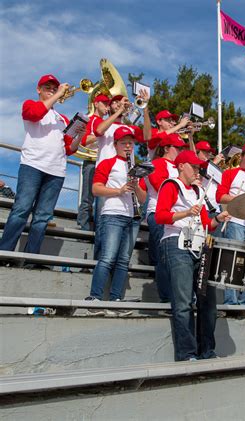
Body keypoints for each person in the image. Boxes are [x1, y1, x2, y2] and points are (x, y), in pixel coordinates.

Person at [155, 150, 230, 361]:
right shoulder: (171, 185)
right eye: (194, 167)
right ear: (181, 166)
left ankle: (207, 349)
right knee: (183, 301)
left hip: (198, 245)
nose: (198, 171)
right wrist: (186, 213)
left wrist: (219, 218)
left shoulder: (198, 191)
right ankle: (187, 353)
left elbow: (206, 224)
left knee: (208, 302)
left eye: (199, 168)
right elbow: (160, 215)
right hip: (175, 244)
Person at [0, 74, 81, 256]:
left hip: (56, 171)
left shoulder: (62, 118)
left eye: (55, 88)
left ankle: (31, 257)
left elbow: (69, 149)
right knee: (21, 210)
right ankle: (4, 252)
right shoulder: (30, 104)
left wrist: (80, 135)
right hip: (33, 165)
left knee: (43, 217)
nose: (52, 90)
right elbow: (35, 114)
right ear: (39, 90)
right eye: (48, 87)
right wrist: (58, 95)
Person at [85, 126, 145, 316]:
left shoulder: (138, 168)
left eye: (131, 143)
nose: (128, 146)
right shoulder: (108, 163)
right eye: (124, 143)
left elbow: (143, 199)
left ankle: (116, 300)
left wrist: (135, 187)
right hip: (112, 213)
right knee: (108, 257)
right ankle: (94, 298)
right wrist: (119, 191)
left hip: (132, 217)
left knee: (123, 261)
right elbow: (96, 189)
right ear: (116, 144)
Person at [216, 140, 245, 315]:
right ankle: (231, 301)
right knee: (232, 260)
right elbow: (220, 196)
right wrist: (240, 198)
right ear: (242, 155)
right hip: (235, 221)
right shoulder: (230, 173)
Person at [138, 133, 186, 303]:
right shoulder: (156, 163)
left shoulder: (179, 167)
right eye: (178, 148)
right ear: (166, 148)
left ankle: (176, 296)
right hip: (159, 213)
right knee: (163, 258)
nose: (181, 151)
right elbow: (162, 188)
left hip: (176, 216)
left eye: (182, 148)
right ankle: (167, 297)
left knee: (175, 258)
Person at [77, 94, 110, 231]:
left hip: (102, 162)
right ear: (96, 104)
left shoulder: (105, 122)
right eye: (104, 103)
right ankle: (84, 226)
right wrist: (100, 133)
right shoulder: (90, 120)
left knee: (102, 200)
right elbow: (84, 141)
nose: (107, 107)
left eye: (108, 104)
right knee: (88, 197)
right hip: (91, 161)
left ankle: (97, 228)